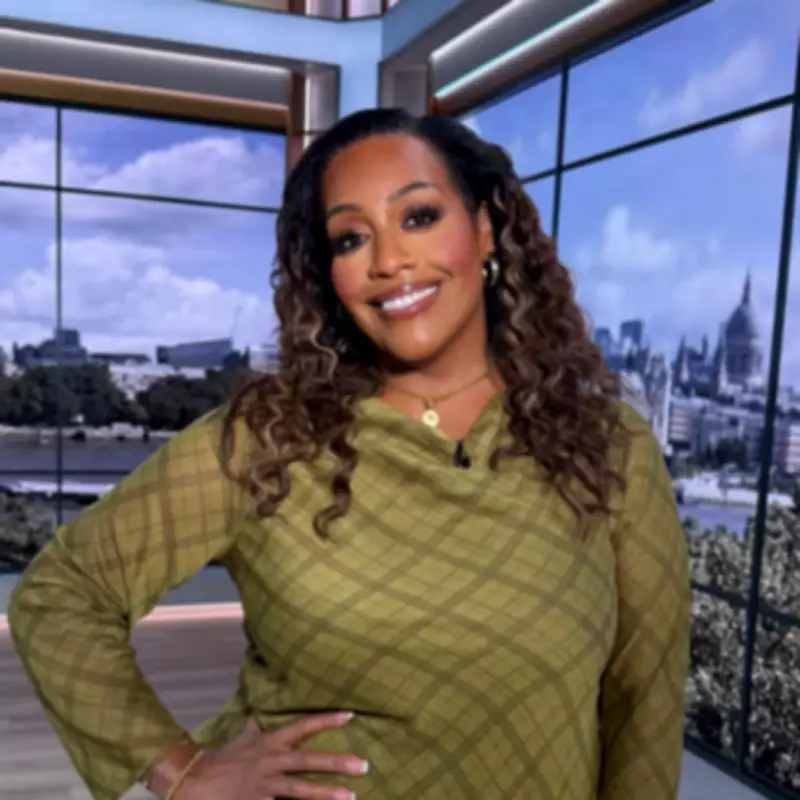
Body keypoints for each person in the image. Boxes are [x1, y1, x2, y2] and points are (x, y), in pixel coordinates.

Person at [8, 108, 690, 800]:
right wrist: (183, 771)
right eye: (351, 238)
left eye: (418, 217)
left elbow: (646, 700)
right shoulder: (268, 439)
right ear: (328, 274)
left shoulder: (609, 448)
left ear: (484, 228)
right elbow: (62, 594)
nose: (388, 261)